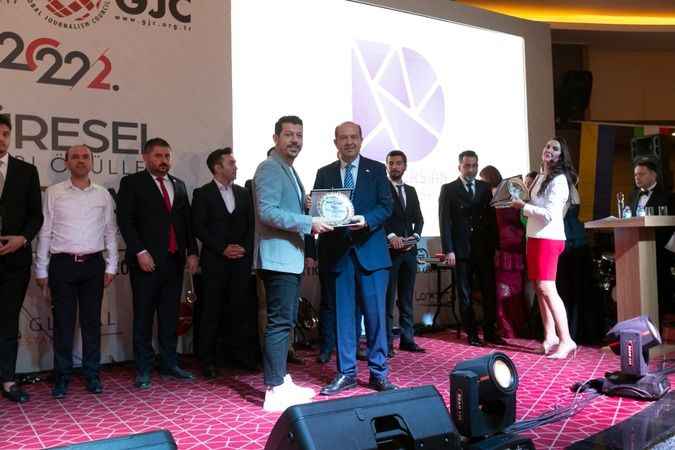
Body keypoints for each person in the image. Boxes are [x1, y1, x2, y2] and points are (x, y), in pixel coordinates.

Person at [253, 115, 332, 412]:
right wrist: (308, 222)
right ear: (275, 138)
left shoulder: (288, 169)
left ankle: (281, 380)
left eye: (299, 135)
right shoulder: (270, 168)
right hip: (278, 258)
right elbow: (267, 212)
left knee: (284, 322)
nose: (295, 140)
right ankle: (274, 389)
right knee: (279, 323)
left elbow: (284, 208)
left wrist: (306, 207)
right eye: (288, 134)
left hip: (289, 258)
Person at [313, 121, 395, 396]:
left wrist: (367, 220)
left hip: (372, 253)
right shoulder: (324, 173)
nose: (348, 142)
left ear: (361, 140)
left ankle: (379, 373)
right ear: (335, 142)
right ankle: (346, 373)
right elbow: (319, 211)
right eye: (343, 138)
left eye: (353, 137)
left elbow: (386, 206)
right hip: (338, 256)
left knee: (376, 318)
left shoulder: (377, 169)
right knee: (344, 319)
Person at [35, 145, 118, 398]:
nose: (81, 161)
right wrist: (41, 268)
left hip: (93, 265)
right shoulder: (54, 192)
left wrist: (112, 265)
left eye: (85, 157)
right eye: (75, 157)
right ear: (66, 162)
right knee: (63, 324)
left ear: (92, 162)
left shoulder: (103, 194)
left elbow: (110, 231)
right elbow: (45, 231)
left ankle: (92, 374)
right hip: (62, 265)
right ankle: (62, 377)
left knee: (91, 323)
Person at [116, 137, 199, 389]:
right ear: (145, 157)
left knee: (169, 316)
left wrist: (192, 252)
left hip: (174, 262)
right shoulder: (132, 183)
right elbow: (125, 221)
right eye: (158, 156)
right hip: (146, 262)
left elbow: (187, 223)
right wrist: (140, 252)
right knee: (143, 316)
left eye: (167, 156)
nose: (164, 161)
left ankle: (169, 363)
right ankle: (143, 368)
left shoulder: (179, 185)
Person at [192, 148, 258, 378]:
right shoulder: (202, 193)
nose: (235, 166)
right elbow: (198, 227)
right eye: (231, 163)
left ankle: (239, 356)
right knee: (211, 311)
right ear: (217, 167)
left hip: (240, 262)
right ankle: (208, 360)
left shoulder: (243, 193)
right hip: (215, 262)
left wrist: (245, 249)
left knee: (239, 309)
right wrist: (222, 248)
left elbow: (251, 226)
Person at [509, 138, 577, 359]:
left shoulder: (559, 180)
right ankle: (550, 337)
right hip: (535, 237)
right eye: (547, 146)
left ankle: (567, 339)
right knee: (539, 288)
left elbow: (548, 214)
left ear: (561, 156)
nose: (549, 150)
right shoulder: (540, 177)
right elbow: (534, 205)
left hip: (548, 238)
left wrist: (523, 206)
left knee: (548, 288)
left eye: (555, 148)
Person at [0, 114, 43, 403]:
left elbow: (35, 215)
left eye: (5, 134)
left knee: (7, 321)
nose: (1, 138)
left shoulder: (26, 171)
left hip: (15, 261)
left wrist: (23, 239)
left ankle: (8, 379)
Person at [439, 151, 500, 347]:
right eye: (467, 166)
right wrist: (448, 250)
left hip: (483, 249)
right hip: (461, 251)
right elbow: (445, 222)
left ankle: (490, 332)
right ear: (460, 167)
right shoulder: (449, 189)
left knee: (489, 292)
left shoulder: (484, 188)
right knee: (465, 295)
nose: (471, 169)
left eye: (474, 166)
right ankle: (472, 334)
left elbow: (492, 220)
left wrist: (496, 247)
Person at [479, 165, 528, 338]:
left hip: (503, 247)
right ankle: (516, 326)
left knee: (502, 291)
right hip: (515, 246)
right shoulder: (512, 196)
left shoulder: (490, 198)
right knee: (515, 290)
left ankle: (507, 327)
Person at [384, 150, 425, 356]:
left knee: (406, 299)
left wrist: (415, 237)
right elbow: (381, 217)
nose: (395, 167)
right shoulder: (381, 188)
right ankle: (386, 343)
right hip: (390, 252)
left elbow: (419, 219)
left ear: (405, 166)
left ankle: (408, 339)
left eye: (398, 163)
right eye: (391, 163)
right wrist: (391, 236)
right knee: (388, 299)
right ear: (387, 166)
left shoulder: (411, 190)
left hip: (410, 252)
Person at [629, 158, 674, 316]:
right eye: (635, 174)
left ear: (653, 175)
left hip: (660, 250)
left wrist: (669, 249)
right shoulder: (634, 195)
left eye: (641, 174)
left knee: (660, 290)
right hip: (638, 249)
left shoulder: (668, 196)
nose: (637, 177)